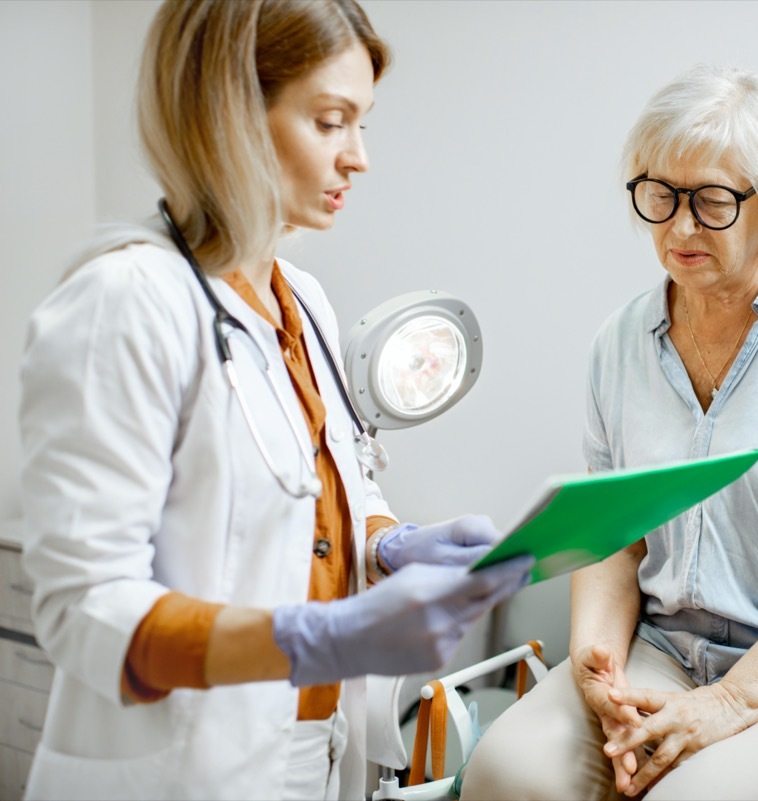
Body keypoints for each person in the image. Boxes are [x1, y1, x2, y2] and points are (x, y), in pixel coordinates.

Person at [17, 2, 531, 799]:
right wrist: (315, 637)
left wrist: (390, 543)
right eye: (331, 122)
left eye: (363, 124)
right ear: (228, 116)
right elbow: (88, 611)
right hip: (183, 767)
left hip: (314, 749)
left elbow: (325, 498)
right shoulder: (124, 302)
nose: (360, 158)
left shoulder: (304, 300)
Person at [459, 64, 758, 801]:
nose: (679, 226)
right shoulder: (619, 342)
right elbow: (616, 535)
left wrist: (730, 702)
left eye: (711, 201)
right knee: (507, 770)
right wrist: (598, 664)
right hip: (665, 650)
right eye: (659, 194)